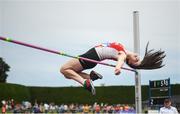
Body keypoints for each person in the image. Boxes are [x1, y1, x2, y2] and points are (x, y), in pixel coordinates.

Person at [60, 42, 165, 95]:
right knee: (68, 75)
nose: (137, 56)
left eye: (136, 59)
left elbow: (120, 60)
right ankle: (90, 76)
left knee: (64, 69)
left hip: (91, 56)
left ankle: (85, 82)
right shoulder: (123, 50)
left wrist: (118, 68)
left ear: (129, 61)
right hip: (92, 58)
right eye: (138, 57)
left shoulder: (123, 55)